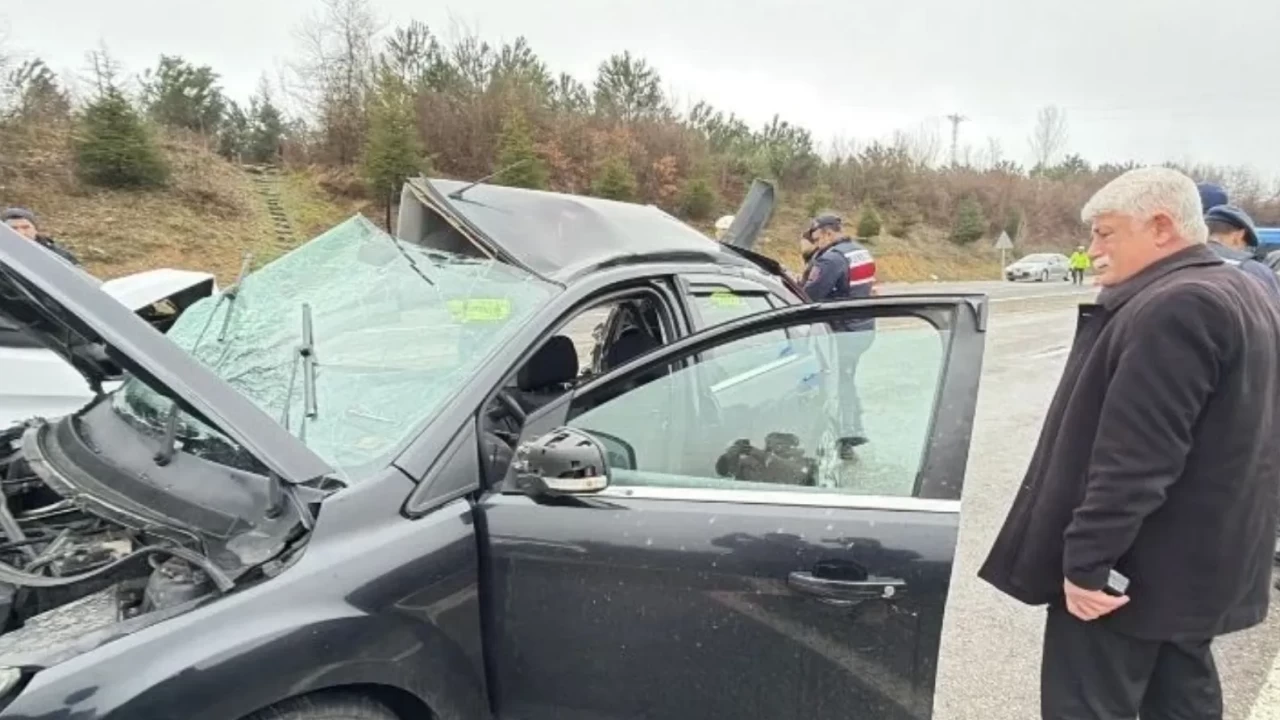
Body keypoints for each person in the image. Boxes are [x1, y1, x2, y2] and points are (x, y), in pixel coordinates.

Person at [978, 167, 1280, 719]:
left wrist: (1087, 565)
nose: (1092, 249)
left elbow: (1135, 461)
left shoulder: (1176, 306)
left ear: (1161, 227)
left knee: (1087, 706)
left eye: (1105, 233)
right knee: (1182, 702)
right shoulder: (1241, 290)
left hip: (1133, 578)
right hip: (1194, 572)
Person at [799, 212, 876, 455]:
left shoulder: (831, 260)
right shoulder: (859, 251)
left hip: (843, 331)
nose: (815, 243)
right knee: (846, 379)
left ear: (828, 233)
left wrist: (808, 262)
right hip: (863, 327)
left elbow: (808, 296)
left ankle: (848, 435)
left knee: (837, 383)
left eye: (816, 238)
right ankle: (851, 431)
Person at [1202, 204, 1280, 297]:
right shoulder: (1255, 272)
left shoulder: (1187, 260)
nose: (1243, 250)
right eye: (1245, 245)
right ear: (1239, 236)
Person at [1, 208, 80, 265]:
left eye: (26, 227)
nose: (20, 233)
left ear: (35, 230)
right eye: (13, 228)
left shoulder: (53, 252)